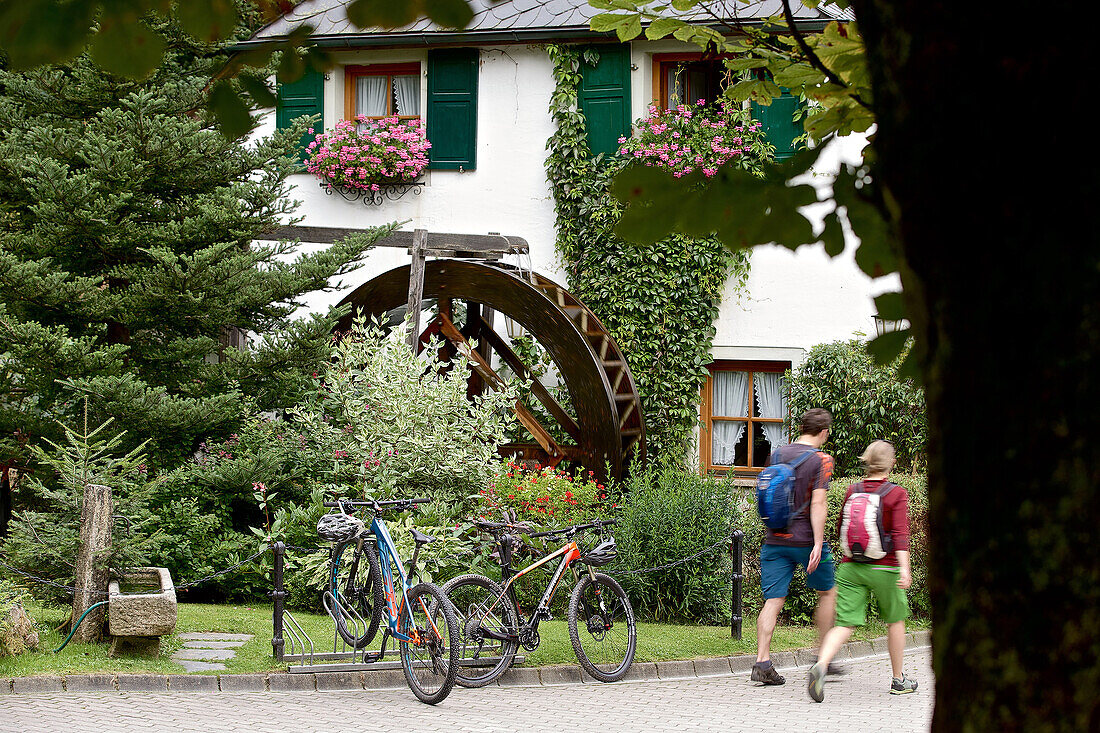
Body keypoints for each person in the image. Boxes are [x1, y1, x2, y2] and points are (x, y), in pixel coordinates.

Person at [807, 439, 918, 702]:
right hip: (886, 568)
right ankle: (899, 680)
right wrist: (905, 569)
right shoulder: (896, 493)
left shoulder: (853, 489)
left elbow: (840, 527)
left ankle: (821, 665)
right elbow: (900, 535)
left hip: (851, 567)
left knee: (845, 623)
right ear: (891, 463)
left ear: (867, 461)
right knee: (895, 621)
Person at [751, 408, 836, 685]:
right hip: (806, 541)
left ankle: (762, 662)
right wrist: (818, 542)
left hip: (775, 538)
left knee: (773, 600)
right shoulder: (821, 460)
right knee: (828, 593)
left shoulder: (777, 454)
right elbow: (819, 503)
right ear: (823, 432)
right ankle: (823, 658)